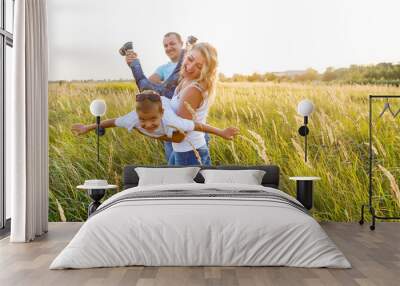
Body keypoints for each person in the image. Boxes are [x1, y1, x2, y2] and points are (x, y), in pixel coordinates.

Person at [71, 91, 238, 147]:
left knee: (180, 136)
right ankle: (149, 92)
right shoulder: (133, 119)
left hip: (165, 103)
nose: (148, 124)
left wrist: (221, 132)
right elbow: (112, 122)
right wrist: (87, 127)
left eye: (153, 119)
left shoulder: (172, 120)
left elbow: (198, 126)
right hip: (156, 107)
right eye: (143, 120)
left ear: (161, 114)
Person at [168, 42, 219, 166]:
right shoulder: (186, 80)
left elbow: (179, 135)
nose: (190, 67)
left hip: (189, 154)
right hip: (182, 150)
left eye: (199, 66)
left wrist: (146, 129)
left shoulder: (193, 90)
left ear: (206, 71)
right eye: (190, 59)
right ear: (186, 55)